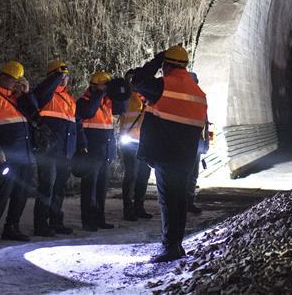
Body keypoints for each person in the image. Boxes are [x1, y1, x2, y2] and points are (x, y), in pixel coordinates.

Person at [131, 45, 208, 263]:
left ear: (167, 65)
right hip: (186, 157)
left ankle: (170, 247)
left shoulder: (164, 85)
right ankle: (177, 244)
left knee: (167, 201)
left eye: (164, 64)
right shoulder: (198, 93)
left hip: (165, 153)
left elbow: (137, 80)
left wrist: (156, 59)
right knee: (180, 200)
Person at [0, 61, 61, 246]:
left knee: (21, 194)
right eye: (14, 81)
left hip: (25, 156)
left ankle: (12, 227)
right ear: (3, 77)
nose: (16, 85)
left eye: (19, 82)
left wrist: (26, 93)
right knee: (1, 194)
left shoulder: (17, 98)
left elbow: (34, 112)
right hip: (5, 157)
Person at [32, 60, 77, 237]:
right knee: (47, 188)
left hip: (65, 152)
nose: (64, 78)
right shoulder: (46, 94)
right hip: (48, 152)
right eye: (60, 75)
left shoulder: (69, 99)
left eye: (66, 75)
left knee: (59, 189)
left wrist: (78, 147)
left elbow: (75, 125)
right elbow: (40, 93)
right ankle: (40, 225)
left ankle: (56, 222)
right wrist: (57, 76)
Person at [76, 71, 117, 231]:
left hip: (105, 151)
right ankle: (88, 221)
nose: (106, 90)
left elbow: (121, 108)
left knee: (101, 188)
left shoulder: (108, 103)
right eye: (104, 86)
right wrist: (98, 93)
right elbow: (88, 112)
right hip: (91, 151)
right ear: (94, 86)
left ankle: (100, 218)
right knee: (89, 188)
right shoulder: (83, 102)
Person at [118, 89, 153, 222]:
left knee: (143, 176)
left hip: (145, 144)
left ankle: (139, 207)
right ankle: (128, 210)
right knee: (131, 175)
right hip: (130, 143)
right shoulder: (128, 98)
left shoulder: (152, 100)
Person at [185, 73, 212, 215]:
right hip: (186, 143)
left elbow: (205, 123)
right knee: (186, 175)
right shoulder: (184, 98)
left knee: (192, 175)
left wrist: (206, 142)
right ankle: (183, 203)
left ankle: (188, 203)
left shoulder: (200, 98)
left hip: (194, 143)